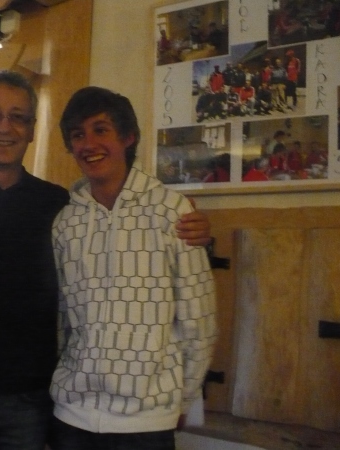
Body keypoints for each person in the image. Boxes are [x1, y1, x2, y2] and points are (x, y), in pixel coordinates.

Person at [0, 71, 213, 450]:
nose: (5, 127)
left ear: (32, 129)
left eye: (18, 117)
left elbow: (118, 223)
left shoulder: (59, 208)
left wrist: (195, 228)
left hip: (28, 404)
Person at [48, 87, 217, 450]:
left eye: (101, 129)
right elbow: (62, 319)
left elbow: (199, 319)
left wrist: (185, 398)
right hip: (71, 415)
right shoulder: (65, 222)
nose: (89, 144)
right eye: (78, 135)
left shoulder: (172, 211)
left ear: (128, 137)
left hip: (146, 419)